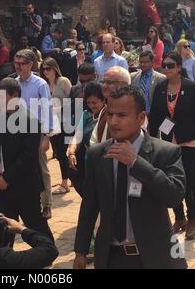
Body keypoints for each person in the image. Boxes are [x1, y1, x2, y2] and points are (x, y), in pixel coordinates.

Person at [74, 86, 187, 269]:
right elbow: (89, 206)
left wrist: (136, 163)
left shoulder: (165, 152)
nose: (113, 122)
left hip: (155, 256)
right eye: (110, 114)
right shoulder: (97, 154)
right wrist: (80, 250)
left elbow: (173, 195)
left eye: (122, 115)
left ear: (141, 118)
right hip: (112, 257)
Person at [0, 77, 54, 243]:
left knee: (34, 223)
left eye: (3, 97)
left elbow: (28, 157)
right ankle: (4, 255)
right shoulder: (1, 118)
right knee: (3, 225)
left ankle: (47, 250)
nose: (0, 102)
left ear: (16, 96)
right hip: (3, 184)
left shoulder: (30, 121)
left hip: (25, 185)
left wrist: (7, 178)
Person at [149, 52, 195, 240]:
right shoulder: (160, 88)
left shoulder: (191, 88)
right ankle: (179, 217)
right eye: (164, 65)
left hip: (189, 141)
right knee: (171, 180)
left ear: (178, 67)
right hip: (168, 142)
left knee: (190, 183)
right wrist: (151, 139)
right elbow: (155, 116)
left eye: (170, 66)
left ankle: (193, 219)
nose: (166, 69)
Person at [14, 49, 53, 220]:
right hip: (17, 132)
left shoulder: (40, 84)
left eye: (22, 63)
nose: (18, 67)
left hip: (36, 133)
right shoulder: (13, 84)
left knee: (41, 169)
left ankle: (47, 204)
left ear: (31, 64)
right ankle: (30, 202)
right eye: (16, 63)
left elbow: (47, 110)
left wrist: (45, 136)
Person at [67, 82, 105, 197]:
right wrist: (71, 152)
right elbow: (77, 137)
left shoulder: (109, 116)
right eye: (89, 102)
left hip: (104, 163)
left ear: (103, 100)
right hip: (88, 161)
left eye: (95, 102)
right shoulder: (86, 115)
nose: (92, 105)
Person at [40, 58, 72, 195]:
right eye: (44, 69)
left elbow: (73, 100)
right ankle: (66, 179)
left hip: (64, 122)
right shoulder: (43, 84)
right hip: (51, 123)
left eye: (49, 68)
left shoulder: (63, 81)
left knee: (64, 152)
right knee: (58, 153)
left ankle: (65, 183)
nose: (46, 71)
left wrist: (59, 108)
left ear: (55, 68)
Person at [90, 66, 131, 145]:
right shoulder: (104, 111)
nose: (104, 86)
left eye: (109, 82)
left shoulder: (133, 112)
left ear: (125, 85)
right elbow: (94, 141)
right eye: (103, 82)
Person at [131, 51, 165, 115]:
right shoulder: (133, 76)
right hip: (136, 114)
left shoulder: (160, 78)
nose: (142, 64)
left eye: (145, 62)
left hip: (152, 114)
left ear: (152, 62)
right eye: (141, 62)